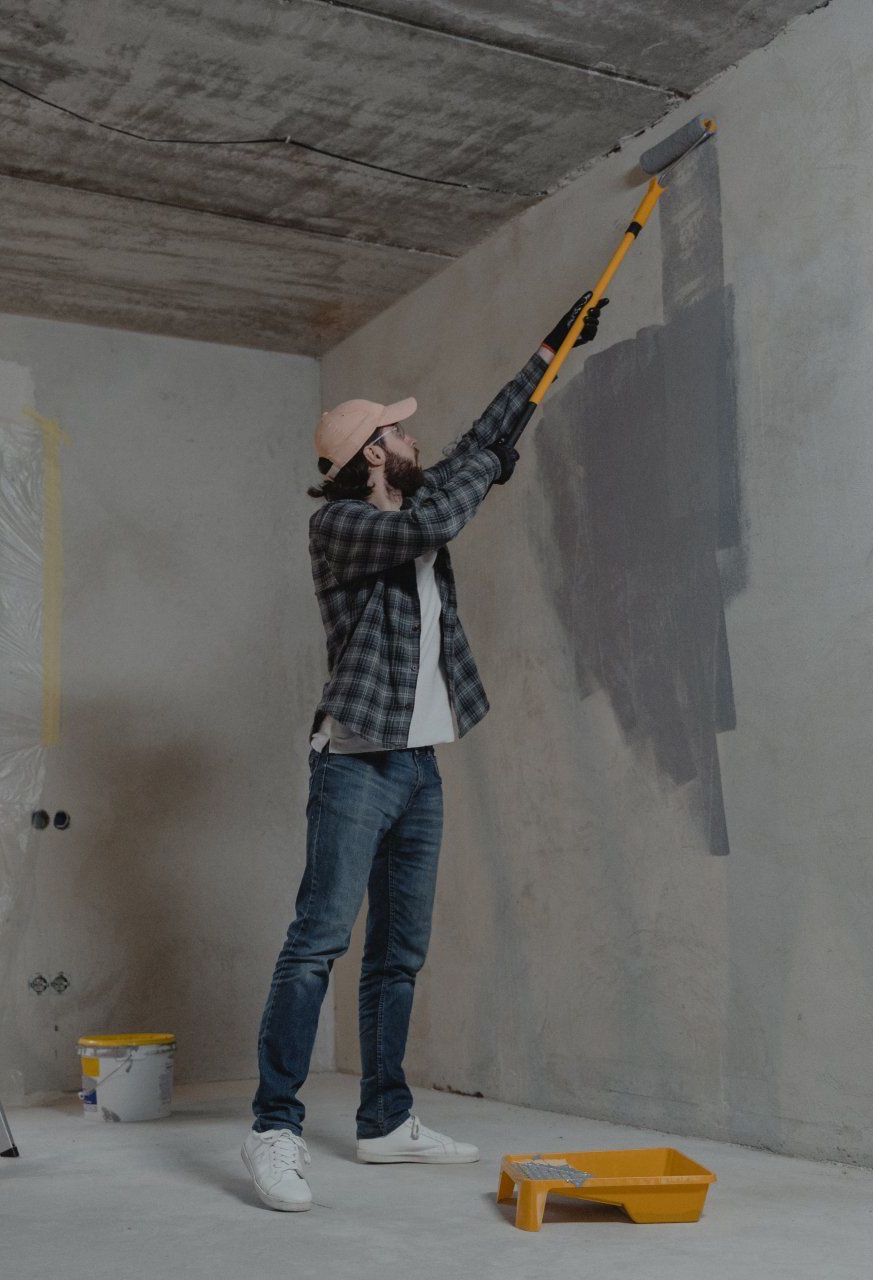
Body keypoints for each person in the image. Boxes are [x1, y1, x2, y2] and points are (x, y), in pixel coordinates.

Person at [242, 295, 608, 1212]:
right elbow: (429, 524)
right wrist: (484, 466)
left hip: (417, 767)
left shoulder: (416, 490)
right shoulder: (343, 527)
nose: (415, 442)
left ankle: (383, 1122)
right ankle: (273, 1129)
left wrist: (546, 347)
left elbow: (482, 442)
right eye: (400, 436)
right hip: (355, 764)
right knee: (318, 942)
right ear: (373, 452)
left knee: (399, 953)